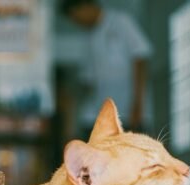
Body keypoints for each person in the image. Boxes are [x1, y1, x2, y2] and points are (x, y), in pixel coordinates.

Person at [61, 0, 153, 135]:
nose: (78, 23)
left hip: (130, 110)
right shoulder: (88, 38)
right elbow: (88, 80)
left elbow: (140, 58)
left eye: (77, 17)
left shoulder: (121, 22)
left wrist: (138, 104)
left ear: (85, 6)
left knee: (130, 153)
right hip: (101, 114)